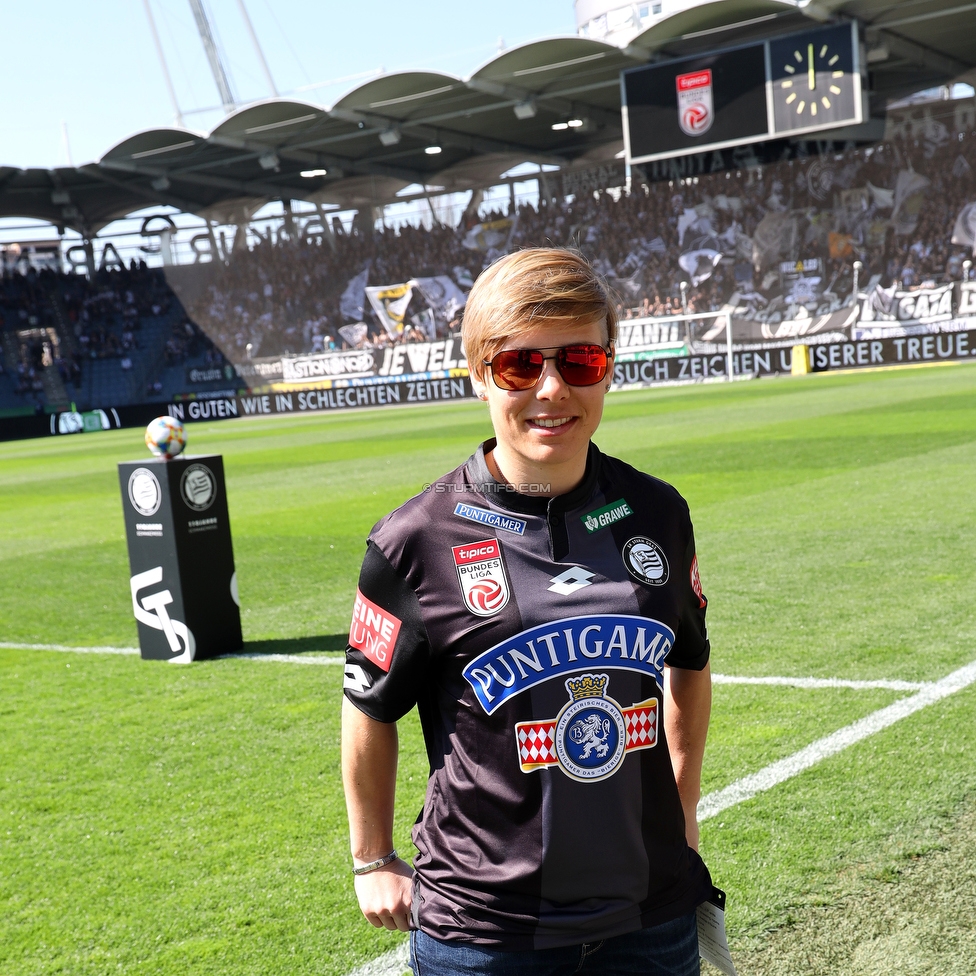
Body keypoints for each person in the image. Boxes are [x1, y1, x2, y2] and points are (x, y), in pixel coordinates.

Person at [342, 248, 713, 975]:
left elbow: (690, 666)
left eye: (580, 363)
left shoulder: (658, 512)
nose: (553, 390)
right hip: (484, 934)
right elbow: (368, 707)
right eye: (520, 366)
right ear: (480, 375)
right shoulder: (413, 540)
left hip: (650, 917)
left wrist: (685, 812)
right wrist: (371, 858)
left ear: (608, 367)